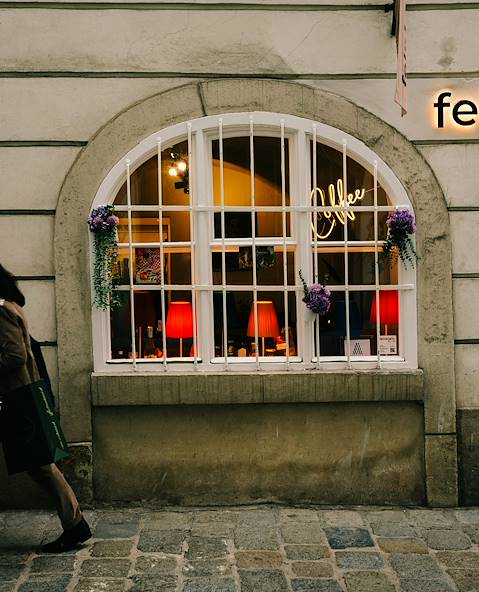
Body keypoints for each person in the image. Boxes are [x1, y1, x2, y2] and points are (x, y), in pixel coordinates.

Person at [0, 264, 91, 553]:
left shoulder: (2, 310)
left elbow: (15, 355)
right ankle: (75, 523)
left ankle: (75, 524)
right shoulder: (9, 306)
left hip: (18, 397)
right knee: (41, 464)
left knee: (41, 465)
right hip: (23, 396)